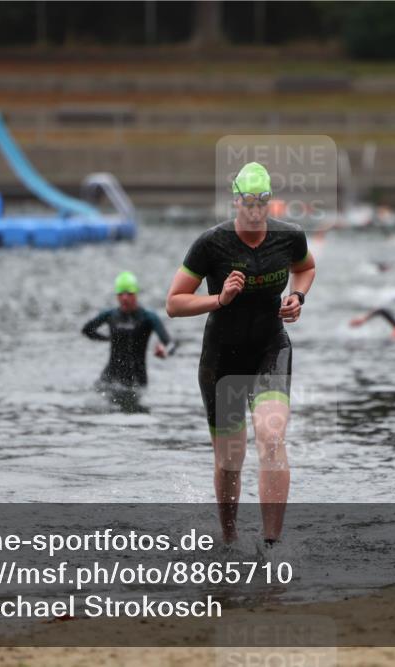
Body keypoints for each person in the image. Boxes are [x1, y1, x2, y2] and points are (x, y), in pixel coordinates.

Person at [165, 162, 316, 547]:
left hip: (270, 347)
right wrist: (219, 298)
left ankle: (272, 544)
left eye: (262, 201)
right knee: (230, 461)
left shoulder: (289, 237)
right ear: (235, 200)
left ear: (270, 201)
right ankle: (229, 538)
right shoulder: (211, 243)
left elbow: (306, 268)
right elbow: (174, 303)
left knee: (270, 435)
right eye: (248, 201)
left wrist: (297, 297)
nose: (255, 209)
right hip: (222, 357)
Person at [82, 271, 174, 395]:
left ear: (136, 294)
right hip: (110, 379)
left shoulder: (148, 317)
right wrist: (107, 339)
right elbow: (87, 330)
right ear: (117, 295)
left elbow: (170, 344)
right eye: (120, 293)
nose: (125, 297)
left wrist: (164, 352)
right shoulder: (111, 315)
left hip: (136, 381)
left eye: (129, 293)